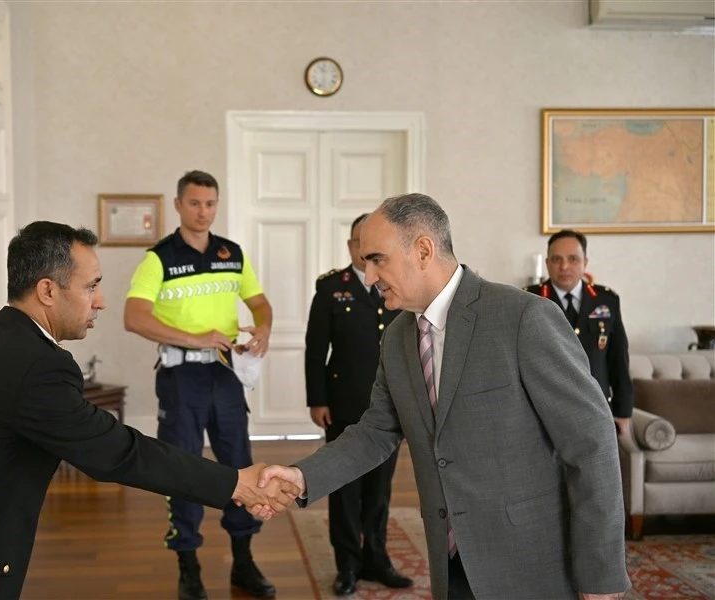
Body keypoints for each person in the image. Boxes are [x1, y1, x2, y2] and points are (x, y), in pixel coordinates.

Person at [0, 221, 299, 600]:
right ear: (48, 290)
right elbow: (119, 452)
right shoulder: (37, 366)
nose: (101, 301)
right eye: (91, 286)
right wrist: (234, 482)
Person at [259, 194, 630, 600]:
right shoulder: (397, 338)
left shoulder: (524, 318)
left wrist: (601, 574)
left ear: (423, 250)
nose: (369, 276)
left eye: (378, 260)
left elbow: (591, 443)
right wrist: (302, 477)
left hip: (531, 564)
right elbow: (376, 431)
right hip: (449, 561)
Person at [123, 170, 275, 600]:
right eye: (194, 203)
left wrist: (264, 328)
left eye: (210, 204)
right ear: (178, 205)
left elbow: (259, 303)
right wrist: (195, 338)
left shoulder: (232, 253)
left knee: (239, 465)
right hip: (181, 379)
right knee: (182, 469)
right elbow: (134, 318)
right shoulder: (159, 258)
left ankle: (243, 561)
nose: (203, 212)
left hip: (225, 375)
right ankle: (188, 568)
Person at [304, 213, 412, 596]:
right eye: (358, 242)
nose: (365, 252)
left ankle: (376, 559)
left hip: (389, 407)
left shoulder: (398, 285)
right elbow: (316, 349)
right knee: (345, 489)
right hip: (344, 405)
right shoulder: (332, 287)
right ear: (351, 246)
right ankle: (348, 565)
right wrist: (317, 399)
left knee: (379, 491)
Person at [524, 229, 634, 434]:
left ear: (585, 262)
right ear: (547, 263)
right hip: (544, 411)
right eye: (556, 259)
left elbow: (618, 359)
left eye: (573, 259)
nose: (564, 266)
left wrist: (623, 410)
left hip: (596, 408)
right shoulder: (528, 299)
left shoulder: (606, 300)